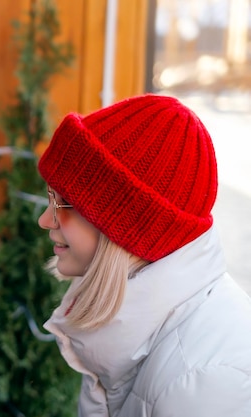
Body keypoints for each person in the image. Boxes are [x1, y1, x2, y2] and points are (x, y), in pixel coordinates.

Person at [36, 94, 251, 416]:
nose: (44, 220)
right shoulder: (123, 319)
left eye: (64, 203)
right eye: (50, 197)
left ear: (125, 230)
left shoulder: (206, 381)